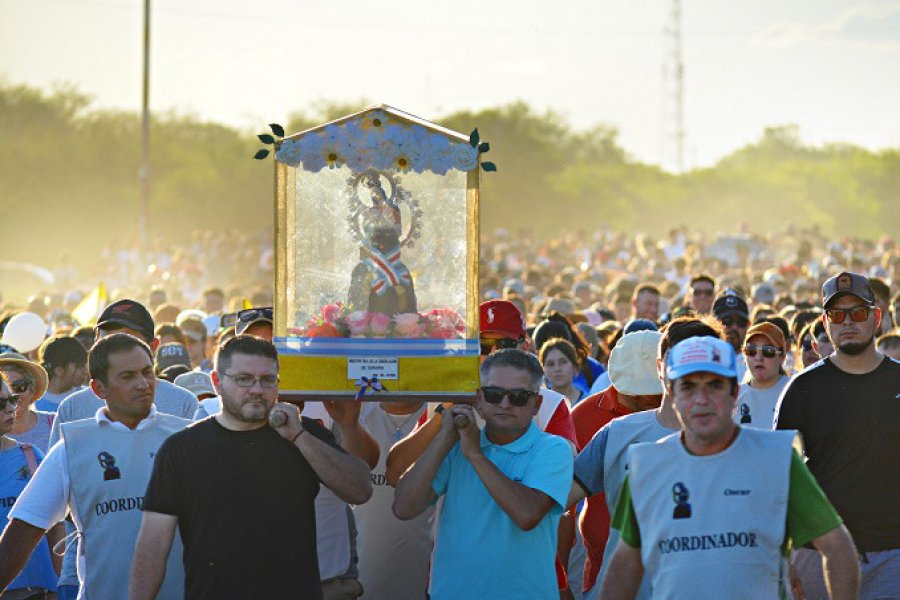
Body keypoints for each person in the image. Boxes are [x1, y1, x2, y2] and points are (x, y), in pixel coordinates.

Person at [600, 335, 860, 600]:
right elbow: (625, 564)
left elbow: (838, 548)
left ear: (734, 392)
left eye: (714, 386)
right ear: (671, 392)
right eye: (688, 387)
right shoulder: (648, 464)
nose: (701, 399)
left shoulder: (776, 457)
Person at [129, 335, 373, 600]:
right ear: (217, 382)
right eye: (243, 379)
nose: (257, 389)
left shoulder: (303, 434)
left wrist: (298, 437)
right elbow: (153, 546)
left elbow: (360, 491)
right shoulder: (181, 450)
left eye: (267, 380)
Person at [0, 334, 190, 599]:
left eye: (147, 372)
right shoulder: (74, 446)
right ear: (98, 388)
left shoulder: (186, 438)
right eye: (128, 376)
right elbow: (25, 529)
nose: (143, 383)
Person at [392, 349, 574, 599]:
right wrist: (444, 436)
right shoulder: (457, 444)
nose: (505, 404)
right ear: (478, 398)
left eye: (519, 396)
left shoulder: (552, 448)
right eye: (494, 394)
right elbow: (404, 507)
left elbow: (527, 514)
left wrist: (476, 455)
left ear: (537, 405)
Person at [46, 299, 197, 599]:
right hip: (89, 572)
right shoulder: (73, 406)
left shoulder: (184, 404)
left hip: (170, 574)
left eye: (127, 336)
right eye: (106, 336)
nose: (115, 344)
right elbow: (52, 506)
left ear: (153, 346)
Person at [568, 315, 725, 600]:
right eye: (681, 361)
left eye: (703, 363)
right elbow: (549, 503)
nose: (691, 373)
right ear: (660, 367)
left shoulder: (746, 445)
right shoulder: (616, 434)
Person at [776, 271, 900, 599]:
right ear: (826, 322)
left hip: (892, 554)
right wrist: (781, 555)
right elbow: (780, 475)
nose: (847, 322)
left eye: (858, 313)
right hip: (817, 554)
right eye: (836, 314)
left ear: (877, 318)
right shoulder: (801, 389)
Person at [567, 329, 665, 599]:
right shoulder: (583, 417)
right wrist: (560, 572)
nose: (652, 400)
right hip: (601, 571)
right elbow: (562, 501)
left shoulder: (679, 417)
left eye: (656, 393)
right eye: (645, 393)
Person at [0, 375, 60, 599]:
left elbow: (55, 526)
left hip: (36, 589)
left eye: (12, 400)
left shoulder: (30, 455)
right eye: (1, 403)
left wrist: (58, 583)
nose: (10, 409)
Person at [735, 322, 789, 429]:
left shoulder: (795, 390)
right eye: (751, 350)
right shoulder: (733, 397)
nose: (758, 358)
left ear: (782, 357)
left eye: (768, 351)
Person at [0, 353, 55, 454]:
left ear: (32, 389)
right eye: (4, 388)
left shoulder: (55, 424)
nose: (12, 395)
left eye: (19, 386)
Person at [35, 336, 87, 412]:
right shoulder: (33, 401)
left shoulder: (87, 397)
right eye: (79, 366)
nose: (85, 371)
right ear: (59, 370)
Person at [712, 288, 749, 381]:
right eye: (726, 321)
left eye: (741, 322)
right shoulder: (703, 359)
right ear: (713, 324)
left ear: (748, 325)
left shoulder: (757, 363)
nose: (734, 327)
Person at [540, 337, 585, 404]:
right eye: (551, 364)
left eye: (563, 362)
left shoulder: (588, 402)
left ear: (575, 367)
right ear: (543, 370)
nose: (557, 369)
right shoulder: (538, 406)